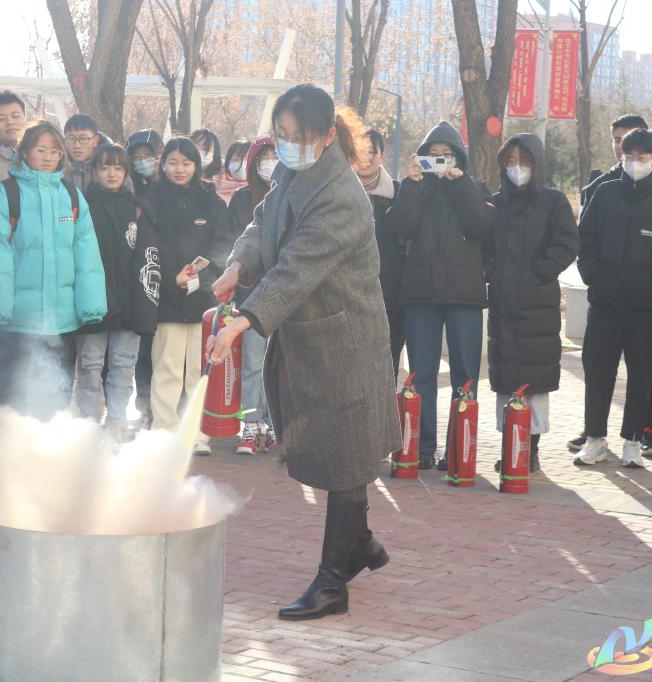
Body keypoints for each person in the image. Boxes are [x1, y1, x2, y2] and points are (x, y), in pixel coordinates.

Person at [209, 84, 400, 621]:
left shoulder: (341, 195)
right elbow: (261, 222)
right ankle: (359, 544)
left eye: (297, 135)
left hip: (346, 339)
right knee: (340, 452)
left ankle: (332, 583)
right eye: (281, 134)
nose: (287, 144)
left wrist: (244, 319)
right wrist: (237, 265)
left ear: (326, 135)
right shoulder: (295, 173)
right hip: (313, 336)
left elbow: (296, 267)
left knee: (346, 458)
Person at [570, 113, 652, 458]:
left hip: (644, 306)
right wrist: (593, 276)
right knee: (598, 373)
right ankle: (594, 439)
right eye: (628, 156)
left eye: (641, 157)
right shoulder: (604, 193)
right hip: (604, 302)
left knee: (641, 375)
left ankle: (633, 440)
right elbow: (585, 239)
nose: (634, 163)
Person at [0, 121, 107, 419]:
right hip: (18, 319)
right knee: (13, 389)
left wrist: (90, 306)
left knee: (58, 390)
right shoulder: (7, 194)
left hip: (62, 319)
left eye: (55, 151)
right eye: (40, 150)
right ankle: (9, 440)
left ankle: (50, 443)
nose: (49, 157)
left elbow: (87, 256)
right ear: (24, 152)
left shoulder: (72, 196)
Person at [388, 121, 489, 471]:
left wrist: (460, 184)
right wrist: (413, 183)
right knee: (421, 374)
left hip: (464, 296)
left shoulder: (474, 188)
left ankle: (459, 449)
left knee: (466, 375)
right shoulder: (413, 188)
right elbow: (400, 227)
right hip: (420, 294)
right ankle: (422, 447)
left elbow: (479, 226)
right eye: (433, 156)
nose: (440, 161)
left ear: (459, 158)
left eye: (447, 155)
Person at [484, 134, 578, 474]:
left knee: (533, 383)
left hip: (537, 306)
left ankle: (530, 450)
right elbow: (483, 245)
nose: (517, 168)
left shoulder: (553, 202)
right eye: (510, 162)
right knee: (506, 379)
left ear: (536, 164)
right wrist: (493, 272)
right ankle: (509, 447)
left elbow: (567, 244)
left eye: (524, 162)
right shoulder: (495, 203)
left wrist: (538, 272)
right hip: (503, 305)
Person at [147, 137, 230, 455]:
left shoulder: (211, 201)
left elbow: (222, 246)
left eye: (186, 163)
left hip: (202, 301)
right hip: (166, 298)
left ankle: (197, 433)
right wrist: (172, 277)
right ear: (163, 165)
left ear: (197, 166)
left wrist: (199, 279)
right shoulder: (152, 200)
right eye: (172, 162)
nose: (179, 169)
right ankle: (163, 431)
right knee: (166, 368)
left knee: (198, 369)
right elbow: (150, 246)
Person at [77, 144, 160, 439]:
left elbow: (148, 258)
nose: (111, 174)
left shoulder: (138, 208)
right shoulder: (82, 205)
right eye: (105, 167)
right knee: (90, 366)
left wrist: (145, 302)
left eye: (118, 168)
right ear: (94, 171)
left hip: (130, 301)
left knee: (123, 367)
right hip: (92, 299)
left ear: (126, 172)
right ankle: (87, 425)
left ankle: (116, 422)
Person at [228, 135, 279, 455]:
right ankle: (250, 425)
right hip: (251, 294)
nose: (270, 164)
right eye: (264, 158)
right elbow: (238, 242)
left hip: (284, 292)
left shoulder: (290, 195)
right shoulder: (242, 199)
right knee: (251, 363)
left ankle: (274, 425)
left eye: (275, 157)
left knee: (280, 367)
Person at [355, 128, 403, 374]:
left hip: (390, 298)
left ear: (381, 155)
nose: (366, 158)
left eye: (371, 152)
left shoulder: (398, 193)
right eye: (360, 151)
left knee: (387, 367)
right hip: (350, 298)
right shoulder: (340, 194)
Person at [126, 128, 165, 429]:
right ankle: (144, 408)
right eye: (136, 157)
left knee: (169, 353)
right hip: (143, 278)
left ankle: (167, 410)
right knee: (144, 351)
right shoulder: (131, 193)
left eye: (147, 155)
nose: (142, 162)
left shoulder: (172, 188)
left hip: (172, 277)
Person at [63, 114, 106, 192]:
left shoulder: (111, 165)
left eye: (83, 139)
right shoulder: (57, 169)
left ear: (95, 141)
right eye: (71, 138)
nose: (77, 145)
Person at [215, 139, 251, 205]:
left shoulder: (258, 192)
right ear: (228, 161)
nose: (242, 164)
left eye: (247, 158)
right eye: (237, 159)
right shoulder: (213, 186)